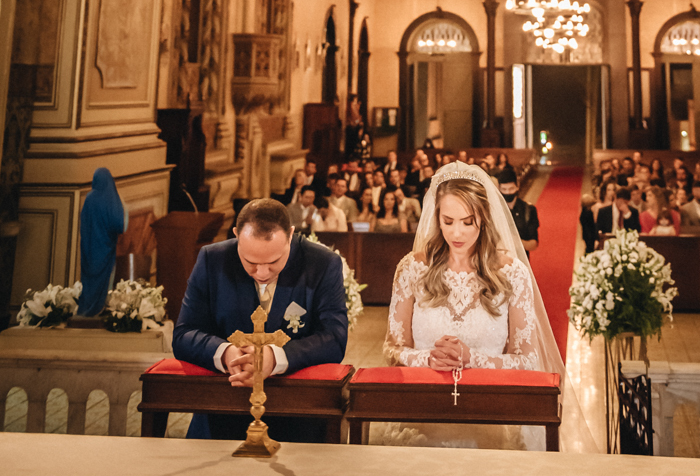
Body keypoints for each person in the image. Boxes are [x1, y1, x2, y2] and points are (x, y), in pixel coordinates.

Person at [377, 161, 595, 451]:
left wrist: (472, 359)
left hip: (490, 413)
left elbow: (527, 361)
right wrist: (427, 359)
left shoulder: (512, 273)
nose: (457, 233)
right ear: (436, 217)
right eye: (448, 221)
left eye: (468, 222)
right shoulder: (412, 268)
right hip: (422, 410)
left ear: (484, 218)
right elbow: (393, 348)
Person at [174, 197, 347, 442]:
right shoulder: (212, 260)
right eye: (251, 262)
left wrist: (275, 357)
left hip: (298, 415)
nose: (262, 273)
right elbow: (184, 333)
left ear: (290, 235)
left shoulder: (322, 263)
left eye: (274, 261)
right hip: (222, 412)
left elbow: (335, 338)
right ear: (236, 235)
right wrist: (226, 354)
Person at [78, 167, 127, 315]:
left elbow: (84, 223)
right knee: (104, 281)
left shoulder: (89, 198)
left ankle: (86, 309)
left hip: (88, 248)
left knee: (88, 281)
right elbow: (119, 225)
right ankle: (100, 309)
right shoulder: (111, 199)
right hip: (105, 249)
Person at [498, 168, 539, 254]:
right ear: (499, 188)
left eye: (511, 189)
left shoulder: (528, 210)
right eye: (504, 189)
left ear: (517, 186)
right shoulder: (494, 209)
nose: (508, 192)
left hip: (521, 261)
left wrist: (516, 242)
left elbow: (533, 244)